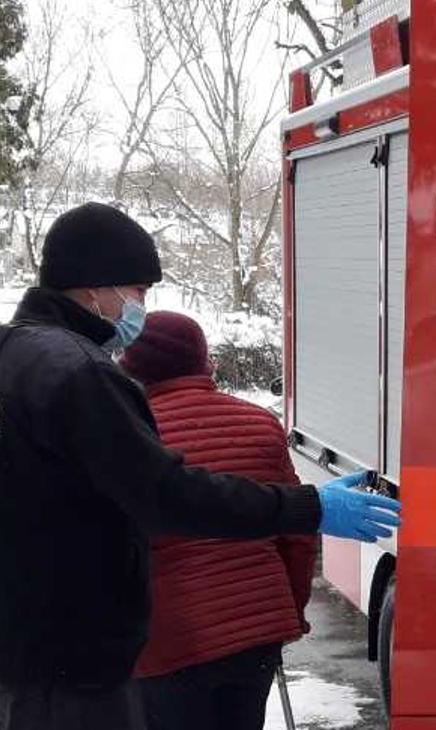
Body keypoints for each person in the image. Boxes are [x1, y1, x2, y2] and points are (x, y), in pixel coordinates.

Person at [0, 202, 399, 730]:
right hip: (71, 670)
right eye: (137, 292)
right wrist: (311, 506)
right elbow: (168, 497)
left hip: (5, 654)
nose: (139, 307)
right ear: (95, 287)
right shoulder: (80, 373)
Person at [117, 311, 318, 730]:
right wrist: (289, 612)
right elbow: (296, 535)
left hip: (166, 640)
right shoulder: (262, 424)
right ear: (203, 358)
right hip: (254, 635)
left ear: (131, 366)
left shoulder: (128, 435)